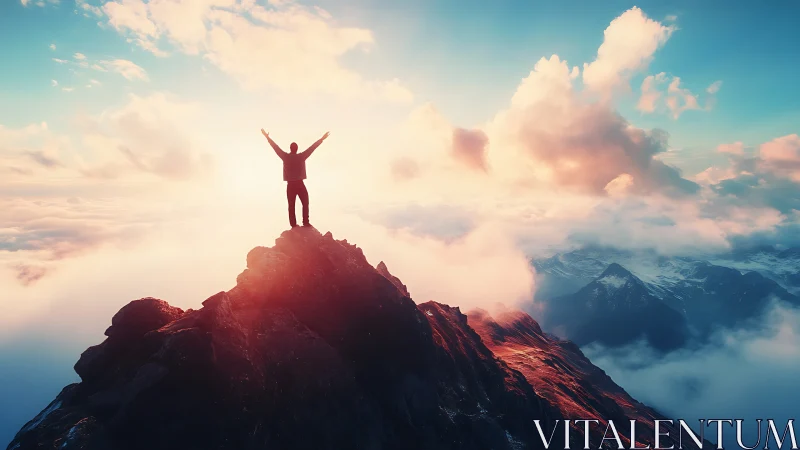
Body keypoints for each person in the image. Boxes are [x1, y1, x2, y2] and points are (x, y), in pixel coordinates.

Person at [261, 129, 330, 228]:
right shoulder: (301, 156)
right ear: (296, 149)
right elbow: (312, 148)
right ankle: (305, 222)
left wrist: (267, 137)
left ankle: (293, 224)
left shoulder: (285, 156)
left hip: (290, 185)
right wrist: (322, 139)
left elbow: (275, 147)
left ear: (291, 148)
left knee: (291, 205)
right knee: (305, 202)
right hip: (299, 184)